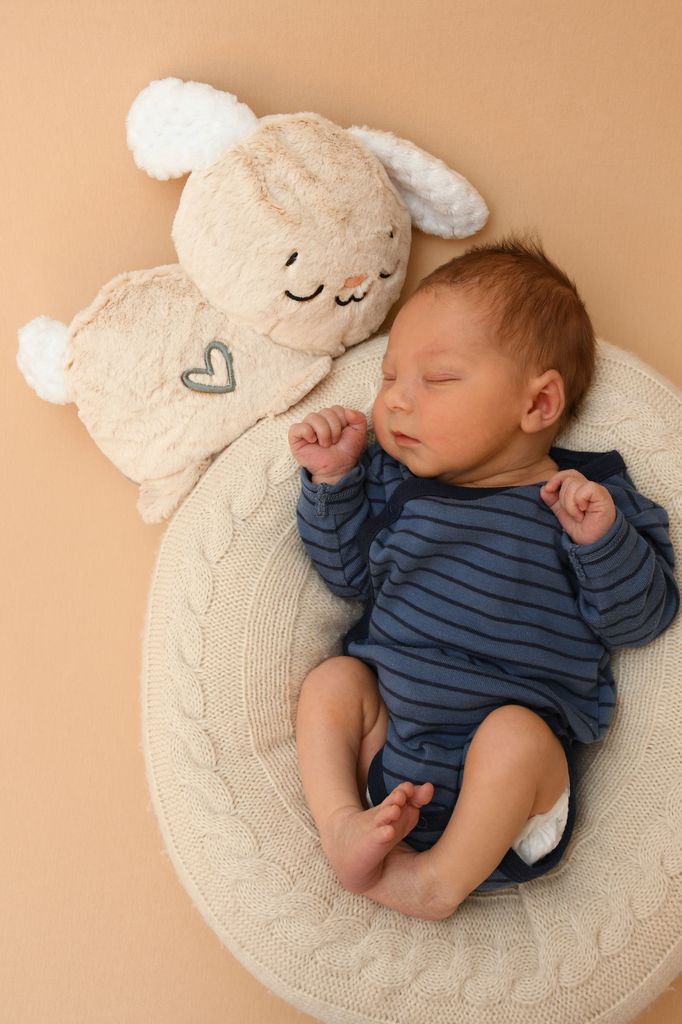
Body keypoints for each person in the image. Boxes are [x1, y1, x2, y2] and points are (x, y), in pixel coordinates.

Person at [287, 237, 679, 920]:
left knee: (514, 735)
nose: (396, 402)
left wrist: (602, 540)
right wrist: (334, 479)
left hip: (511, 794)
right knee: (334, 682)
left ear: (538, 403)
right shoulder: (396, 485)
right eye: (388, 376)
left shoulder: (586, 501)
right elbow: (346, 575)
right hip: (391, 751)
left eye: (437, 380)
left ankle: (436, 882)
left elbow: (640, 621)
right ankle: (342, 823)